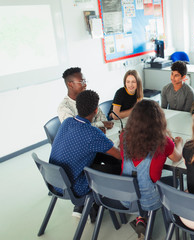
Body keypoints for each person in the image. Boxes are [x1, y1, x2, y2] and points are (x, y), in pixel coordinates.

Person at [50, 90, 122, 220]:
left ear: (77, 107)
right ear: (96, 110)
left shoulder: (67, 122)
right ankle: (115, 201)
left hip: (54, 181)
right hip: (75, 187)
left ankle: (92, 206)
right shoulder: (92, 133)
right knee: (117, 166)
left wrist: (103, 143)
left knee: (99, 156)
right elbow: (119, 155)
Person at [119, 99, 183, 240]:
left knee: (138, 180)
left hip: (126, 197)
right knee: (179, 178)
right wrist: (178, 143)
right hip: (150, 200)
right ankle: (177, 216)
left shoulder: (124, 136)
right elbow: (177, 158)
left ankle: (141, 218)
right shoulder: (163, 141)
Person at [58, 67, 113, 131]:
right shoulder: (64, 107)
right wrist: (100, 124)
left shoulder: (89, 98)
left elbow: (105, 121)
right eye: (82, 82)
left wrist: (100, 125)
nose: (85, 84)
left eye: (85, 81)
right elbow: (75, 129)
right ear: (70, 84)